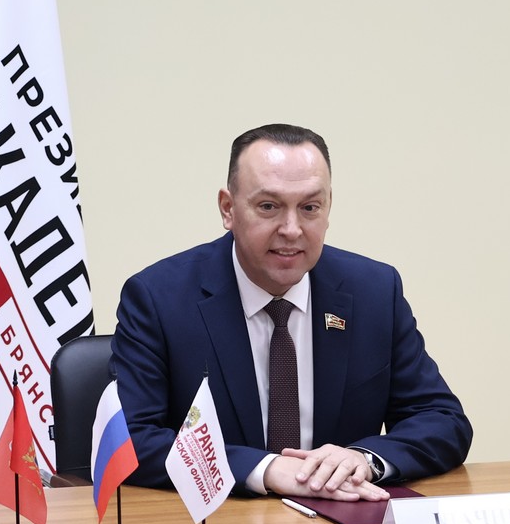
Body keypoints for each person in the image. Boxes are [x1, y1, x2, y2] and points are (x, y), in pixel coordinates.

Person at [111, 124, 470, 501]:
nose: (292, 229)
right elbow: (130, 439)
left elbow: (442, 420)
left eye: (310, 208)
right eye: (269, 206)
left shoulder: (374, 292)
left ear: (328, 207)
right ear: (228, 209)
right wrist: (263, 468)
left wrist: (363, 459)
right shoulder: (158, 298)